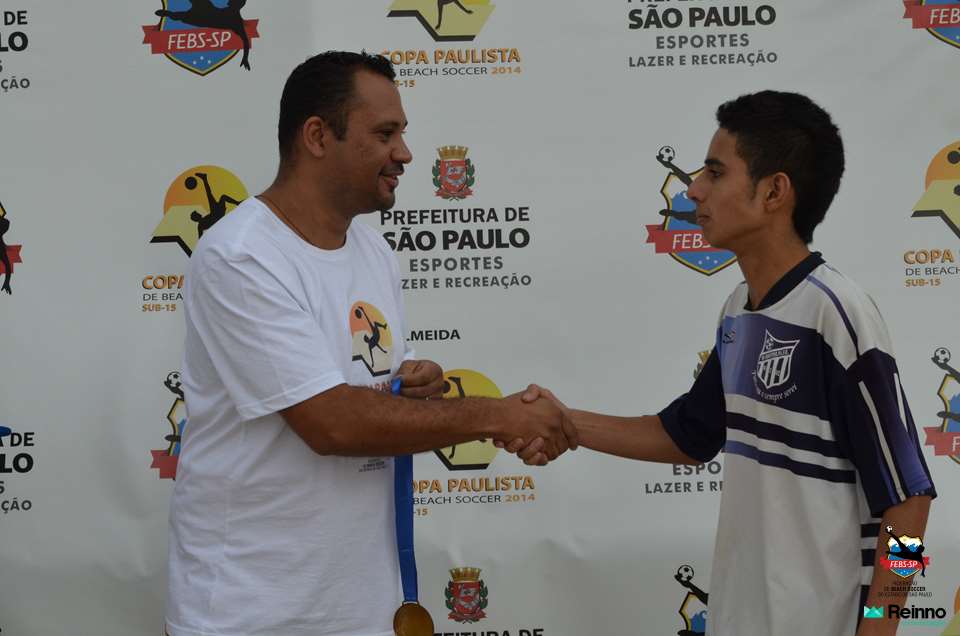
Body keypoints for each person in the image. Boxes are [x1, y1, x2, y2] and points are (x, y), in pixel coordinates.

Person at [165, 51, 576, 636]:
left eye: (402, 133)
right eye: (385, 134)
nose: (404, 153)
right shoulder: (241, 256)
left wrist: (411, 384)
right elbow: (332, 423)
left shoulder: (373, 250)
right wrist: (498, 414)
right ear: (316, 136)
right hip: (253, 612)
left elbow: (357, 392)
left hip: (362, 606)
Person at [520, 91, 936, 636]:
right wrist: (564, 421)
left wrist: (879, 629)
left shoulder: (836, 314)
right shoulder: (739, 309)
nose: (693, 189)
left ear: (774, 192)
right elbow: (688, 435)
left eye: (715, 173)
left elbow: (910, 504)